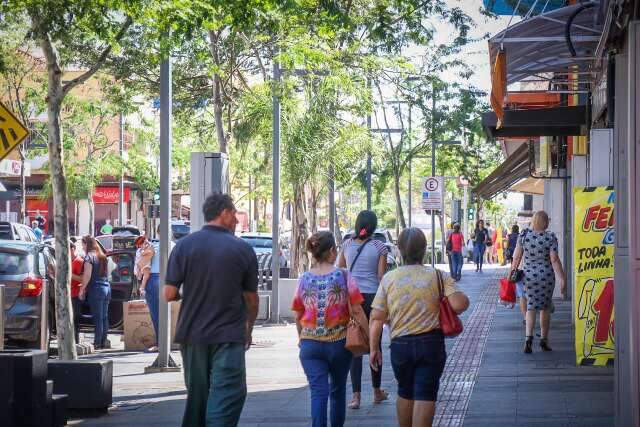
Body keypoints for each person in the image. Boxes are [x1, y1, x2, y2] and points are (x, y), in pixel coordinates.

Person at [164, 193, 259, 427]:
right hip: (228, 335)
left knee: (198, 398)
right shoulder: (243, 249)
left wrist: (188, 293)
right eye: (235, 215)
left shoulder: (184, 245)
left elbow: (168, 294)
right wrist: (249, 329)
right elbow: (251, 298)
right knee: (227, 396)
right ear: (225, 213)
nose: (237, 221)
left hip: (191, 336)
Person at [369, 228, 469, 427]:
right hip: (430, 344)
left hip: (400, 345)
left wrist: (373, 349)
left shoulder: (389, 278)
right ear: (424, 250)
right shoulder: (437, 276)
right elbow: (459, 304)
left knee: (405, 390)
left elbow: (376, 317)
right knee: (426, 392)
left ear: (399, 250)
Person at [292, 231, 364, 427]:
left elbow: (298, 314)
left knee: (318, 393)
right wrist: (369, 336)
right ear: (332, 251)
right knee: (338, 390)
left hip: (310, 346)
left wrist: (301, 338)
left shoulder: (304, 279)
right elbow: (357, 309)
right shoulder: (344, 275)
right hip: (339, 344)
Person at [337, 210, 389, 409]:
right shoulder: (380, 246)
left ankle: (356, 397)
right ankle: (376, 392)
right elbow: (381, 276)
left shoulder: (347, 244)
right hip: (373, 299)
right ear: (373, 226)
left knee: (355, 344)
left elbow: (340, 268)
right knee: (375, 343)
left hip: (352, 299)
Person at [510, 211, 567, 353]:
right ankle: (543, 341)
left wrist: (511, 274)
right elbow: (554, 259)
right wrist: (563, 278)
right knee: (545, 308)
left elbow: (516, 257)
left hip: (529, 277)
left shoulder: (523, 235)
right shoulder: (550, 237)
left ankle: (528, 339)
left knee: (530, 307)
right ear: (546, 222)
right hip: (546, 277)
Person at [141, 226, 175, 353]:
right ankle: (167, 341)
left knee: (156, 313)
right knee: (167, 312)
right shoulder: (175, 246)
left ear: (158, 233)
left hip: (154, 279)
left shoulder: (152, 246)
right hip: (170, 279)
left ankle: (160, 343)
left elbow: (143, 264)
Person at [78, 236, 111, 349]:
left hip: (96, 289)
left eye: (82, 244)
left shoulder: (89, 257)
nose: (82, 247)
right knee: (104, 317)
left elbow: (87, 275)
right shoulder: (102, 256)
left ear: (86, 244)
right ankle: (103, 340)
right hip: (106, 287)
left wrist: (82, 289)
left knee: (97, 317)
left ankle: (97, 342)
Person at [70, 238, 84, 343]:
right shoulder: (67, 261)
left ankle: (76, 341)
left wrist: (69, 274)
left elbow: (82, 279)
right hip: (68, 294)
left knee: (75, 319)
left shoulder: (78, 261)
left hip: (75, 294)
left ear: (73, 249)